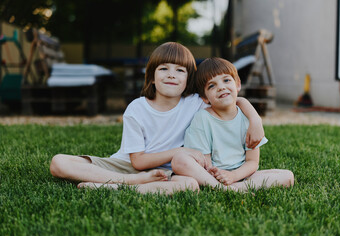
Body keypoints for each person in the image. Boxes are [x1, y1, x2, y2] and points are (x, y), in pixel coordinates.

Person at [50, 43, 264, 194]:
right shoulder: (137, 108)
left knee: (189, 185)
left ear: (188, 80)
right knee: (59, 162)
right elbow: (138, 161)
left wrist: (255, 120)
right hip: (126, 167)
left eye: (180, 70)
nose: (172, 75)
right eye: (164, 69)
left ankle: (112, 187)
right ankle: (130, 182)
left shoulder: (194, 102)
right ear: (152, 77)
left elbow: (233, 99)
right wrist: (178, 152)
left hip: (166, 172)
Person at [172, 57, 294, 192]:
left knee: (287, 176)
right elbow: (205, 163)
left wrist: (233, 176)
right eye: (212, 86)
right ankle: (222, 188)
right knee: (179, 160)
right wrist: (219, 175)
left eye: (226, 80)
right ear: (205, 97)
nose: (221, 87)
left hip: (242, 174)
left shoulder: (248, 118)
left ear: (238, 84)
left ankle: (238, 188)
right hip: (210, 174)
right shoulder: (203, 118)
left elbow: (252, 162)